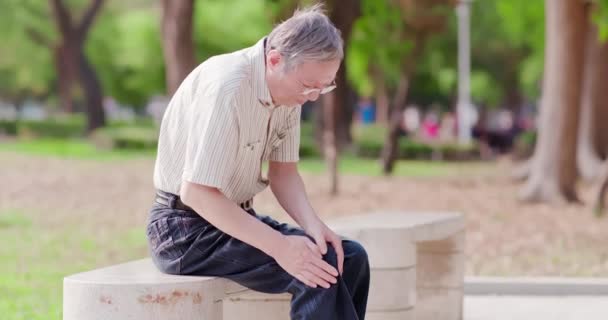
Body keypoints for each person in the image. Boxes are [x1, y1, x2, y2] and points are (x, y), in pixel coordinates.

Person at [147, 4, 370, 320]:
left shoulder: (288, 92)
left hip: (233, 218)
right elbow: (196, 193)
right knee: (316, 270)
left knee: (347, 256)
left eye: (325, 86)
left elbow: (284, 175)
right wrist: (281, 248)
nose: (313, 96)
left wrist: (315, 227)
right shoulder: (227, 86)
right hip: (184, 231)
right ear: (275, 59)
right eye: (308, 85)